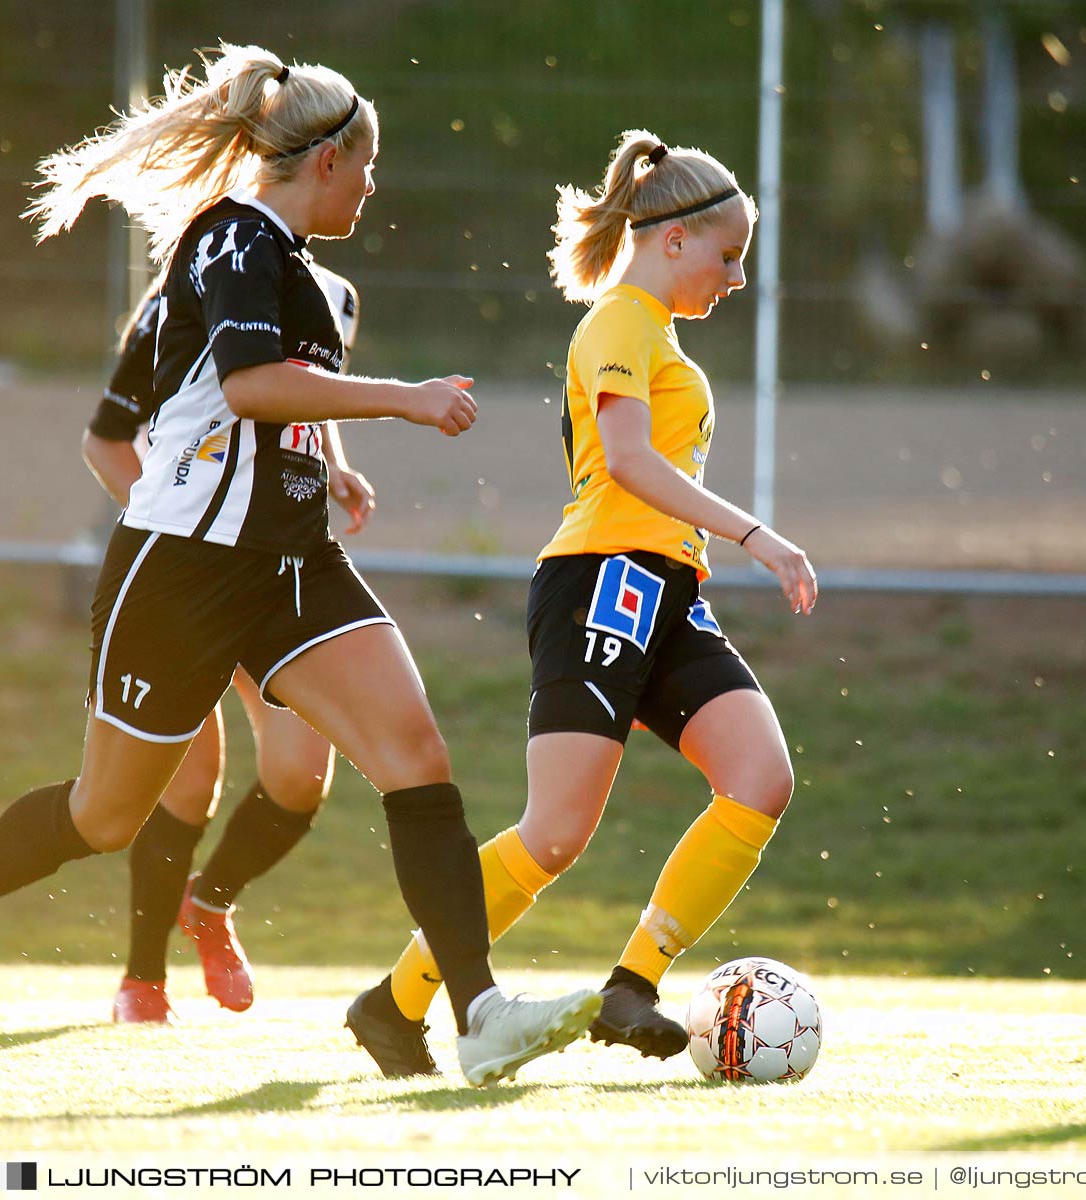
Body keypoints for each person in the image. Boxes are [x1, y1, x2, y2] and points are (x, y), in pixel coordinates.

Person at [0, 44, 600, 1087]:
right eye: (368, 165)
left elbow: (275, 410)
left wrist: (328, 468)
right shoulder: (235, 236)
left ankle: (480, 1011)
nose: (375, 184)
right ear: (326, 162)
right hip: (182, 570)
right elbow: (245, 389)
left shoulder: (310, 277)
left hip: (290, 567)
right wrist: (403, 397)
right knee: (105, 816)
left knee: (416, 752)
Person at [343, 130, 817, 1077]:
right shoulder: (618, 323)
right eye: (728, 257)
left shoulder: (658, 332)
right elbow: (631, 464)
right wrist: (756, 534)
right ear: (674, 239)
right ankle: (395, 1004)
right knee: (553, 835)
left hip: (666, 591)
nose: (733, 278)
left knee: (761, 778)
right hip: (601, 580)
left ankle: (632, 984)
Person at [83, 265, 374, 1024]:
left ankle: (210, 905)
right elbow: (106, 443)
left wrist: (334, 468)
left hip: (275, 572)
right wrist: (187, 532)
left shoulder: (332, 292)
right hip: (190, 572)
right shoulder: (190, 290)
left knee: (302, 774)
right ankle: (142, 981)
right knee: (187, 778)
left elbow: (303, 388)